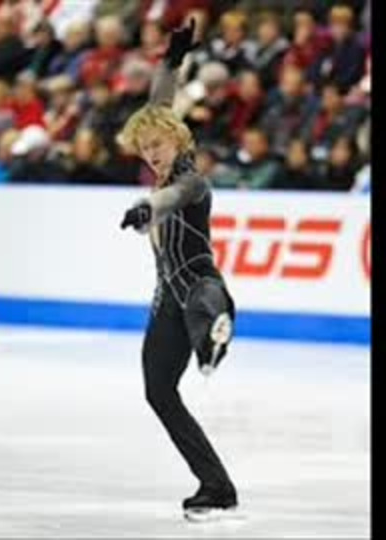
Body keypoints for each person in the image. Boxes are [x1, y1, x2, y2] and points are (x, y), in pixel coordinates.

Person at [115, 19, 239, 521]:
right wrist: (171, 60)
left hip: (199, 285)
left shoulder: (191, 181)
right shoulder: (162, 159)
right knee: (158, 391)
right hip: (166, 295)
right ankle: (216, 485)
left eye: (158, 145)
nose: (151, 153)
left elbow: (172, 198)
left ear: (177, 140)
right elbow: (158, 105)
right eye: (144, 148)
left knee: (204, 308)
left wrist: (148, 206)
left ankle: (213, 337)